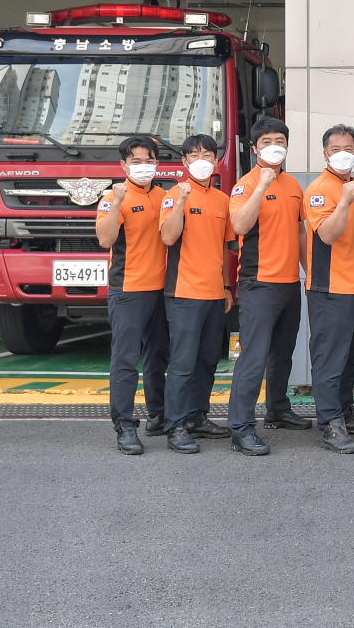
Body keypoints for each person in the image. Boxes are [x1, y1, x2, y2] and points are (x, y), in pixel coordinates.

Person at [225, 117, 309, 456]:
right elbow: (240, 225)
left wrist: (309, 272)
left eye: (280, 141)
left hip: (290, 282)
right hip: (258, 283)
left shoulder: (294, 185)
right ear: (254, 148)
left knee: (282, 353)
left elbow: (300, 232)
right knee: (253, 356)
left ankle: (277, 408)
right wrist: (261, 186)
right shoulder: (245, 185)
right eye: (266, 142)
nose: (274, 146)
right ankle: (241, 427)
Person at [158, 134, 237, 453]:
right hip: (184, 293)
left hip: (214, 294)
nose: (201, 160)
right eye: (194, 155)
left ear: (216, 160)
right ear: (184, 161)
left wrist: (227, 287)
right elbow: (168, 237)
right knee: (183, 363)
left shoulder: (222, 200)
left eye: (207, 155)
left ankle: (197, 417)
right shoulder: (173, 195)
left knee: (207, 360)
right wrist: (181, 201)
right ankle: (175, 426)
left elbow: (224, 247)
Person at [96, 135, 170, 455]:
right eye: (136, 161)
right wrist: (116, 201)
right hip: (128, 290)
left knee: (158, 356)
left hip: (163, 289)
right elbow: (105, 239)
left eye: (149, 160)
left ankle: (158, 414)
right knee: (126, 360)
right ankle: (124, 425)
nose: (143, 166)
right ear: (123, 165)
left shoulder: (165, 196)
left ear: (157, 163)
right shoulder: (112, 197)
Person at [303, 124, 354, 454]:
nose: (343, 154)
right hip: (330, 287)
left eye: (349, 148)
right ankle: (330, 423)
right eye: (335, 149)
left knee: (350, 357)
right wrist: (344, 202)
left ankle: (345, 411)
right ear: (325, 154)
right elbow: (327, 235)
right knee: (329, 360)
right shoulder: (319, 189)